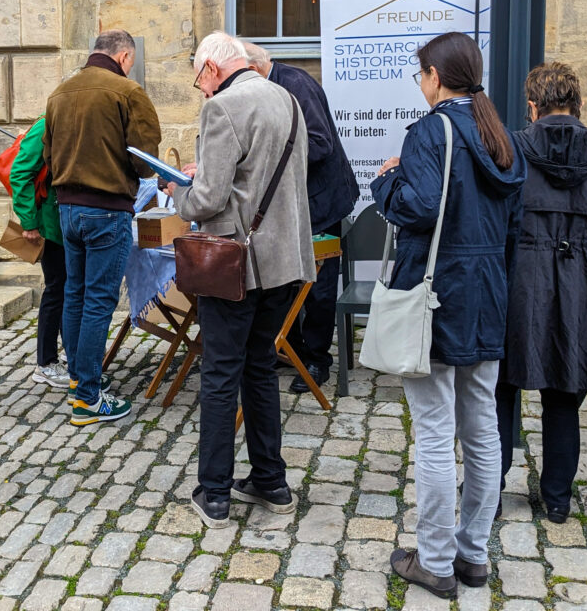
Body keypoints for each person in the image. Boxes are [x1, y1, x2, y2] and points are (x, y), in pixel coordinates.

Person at [371, 31, 526, 600]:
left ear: (436, 76)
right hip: (487, 293)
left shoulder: (430, 132)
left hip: (436, 298)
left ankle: (435, 562)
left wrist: (386, 178)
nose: (420, 85)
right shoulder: (500, 137)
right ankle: (473, 554)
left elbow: (415, 208)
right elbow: (512, 226)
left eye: (421, 75)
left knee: (436, 433)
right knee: (483, 429)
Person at [166, 32, 315, 528]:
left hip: (237, 263)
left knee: (221, 372)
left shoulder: (222, 107)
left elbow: (207, 200)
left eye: (198, 80)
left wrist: (177, 191)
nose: (200, 90)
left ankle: (214, 493)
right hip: (284, 259)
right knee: (259, 367)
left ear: (211, 67)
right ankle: (271, 481)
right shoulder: (287, 97)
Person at [496, 63, 587, 524]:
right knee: (564, 393)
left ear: (532, 107)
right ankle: (556, 499)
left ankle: (490, 492)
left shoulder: (512, 150)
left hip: (521, 281)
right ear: (578, 105)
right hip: (583, 284)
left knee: (501, 389)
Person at [43, 29, 161, 426]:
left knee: (76, 295)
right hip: (107, 209)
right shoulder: (127, 91)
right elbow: (145, 160)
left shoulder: (60, 92)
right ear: (125, 56)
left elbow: (47, 153)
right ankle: (89, 399)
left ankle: (80, 378)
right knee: (96, 301)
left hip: (68, 209)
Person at [243, 42, 359, 392]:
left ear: (255, 68)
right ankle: (289, 351)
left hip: (320, 203)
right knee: (284, 281)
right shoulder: (265, 89)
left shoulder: (296, 84)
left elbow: (320, 144)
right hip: (292, 205)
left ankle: (317, 361)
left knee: (318, 288)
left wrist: (266, 161)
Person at [11, 114, 68, 389]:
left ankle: (69, 351)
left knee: (69, 288)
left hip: (64, 221)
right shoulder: (47, 123)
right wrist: (29, 221)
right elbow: (20, 171)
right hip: (50, 223)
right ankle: (45, 363)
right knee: (56, 289)